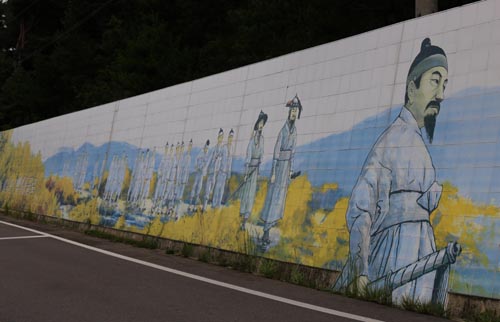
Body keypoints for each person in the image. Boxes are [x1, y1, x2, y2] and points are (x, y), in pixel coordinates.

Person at [333, 38, 449, 304]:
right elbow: (361, 208)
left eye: (444, 84)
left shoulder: (417, 141)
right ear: (411, 87)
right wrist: (361, 270)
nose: (441, 94)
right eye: (434, 80)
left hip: (421, 250)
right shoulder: (389, 142)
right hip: (393, 251)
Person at [260, 95, 301, 246]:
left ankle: (269, 228)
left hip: (286, 169)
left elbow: (293, 153)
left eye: (296, 111)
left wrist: (291, 171)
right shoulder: (283, 130)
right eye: (292, 110)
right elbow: (277, 152)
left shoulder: (294, 131)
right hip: (278, 168)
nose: (294, 113)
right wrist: (274, 173)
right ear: (289, 112)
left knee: (279, 200)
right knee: (272, 199)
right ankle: (265, 231)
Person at [240, 111, 267, 230]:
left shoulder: (262, 140)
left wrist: (259, 165)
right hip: (250, 168)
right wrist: (246, 173)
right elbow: (248, 157)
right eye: (259, 123)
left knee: (251, 194)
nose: (261, 125)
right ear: (256, 125)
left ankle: (246, 218)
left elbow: (261, 154)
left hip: (255, 170)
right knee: (246, 194)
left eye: (262, 123)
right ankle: (242, 218)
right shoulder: (252, 140)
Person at [203, 129, 225, 211]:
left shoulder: (223, 150)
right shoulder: (213, 149)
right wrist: (205, 169)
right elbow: (208, 160)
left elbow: (223, 162)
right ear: (218, 138)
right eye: (220, 137)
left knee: (215, 190)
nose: (221, 139)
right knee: (208, 190)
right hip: (212, 172)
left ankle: (213, 207)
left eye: (222, 137)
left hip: (218, 173)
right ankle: (204, 207)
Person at [212, 129, 234, 208]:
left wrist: (229, 174)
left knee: (221, 189)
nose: (231, 139)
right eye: (230, 137)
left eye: (232, 137)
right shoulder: (224, 147)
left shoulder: (231, 149)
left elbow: (230, 162)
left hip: (225, 173)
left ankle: (218, 205)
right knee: (217, 188)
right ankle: (214, 204)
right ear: (228, 138)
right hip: (220, 171)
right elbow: (218, 157)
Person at [188, 140, 210, 212]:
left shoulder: (207, 156)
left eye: (207, 148)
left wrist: (204, 170)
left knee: (199, 189)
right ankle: (190, 204)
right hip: (198, 172)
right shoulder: (200, 153)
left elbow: (206, 165)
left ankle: (195, 205)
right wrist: (197, 166)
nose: (206, 149)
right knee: (194, 187)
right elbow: (196, 160)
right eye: (205, 148)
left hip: (201, 174)